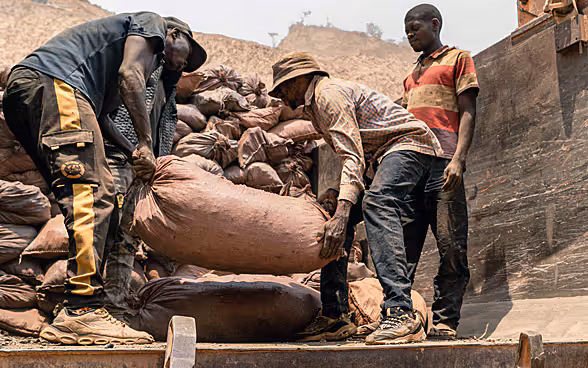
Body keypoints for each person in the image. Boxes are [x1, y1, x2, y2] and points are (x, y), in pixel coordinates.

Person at [2, 12, 206, 345]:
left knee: (89, 194)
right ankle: (82, 311)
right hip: (54, 84)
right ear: (171, 34)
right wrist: (144, 141)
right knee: (93, 194)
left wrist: (134, 152)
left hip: (33, 91)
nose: (181, 65)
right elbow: (131, 75)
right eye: (185, 50)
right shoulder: (149, 25)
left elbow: (105, 118)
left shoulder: (106, 78)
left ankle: (83, 308)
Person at [269, 52, 442, 344]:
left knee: (376, 203)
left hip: (410, 143)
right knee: (340, 222)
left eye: (283, 87)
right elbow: (357, 154)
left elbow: (352, 157)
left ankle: (400, 312)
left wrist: (342, 210)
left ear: (300, 79)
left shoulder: (327, 96)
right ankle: (335, 317)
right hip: (384, 155)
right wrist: (339, 206)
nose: (281, 97)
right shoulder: (314, 108)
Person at [402, 4, 479, 339]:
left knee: (450, 246)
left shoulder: (457, 58)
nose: (409, 34)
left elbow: (468, 111)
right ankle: (400, 318)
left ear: (435, 24)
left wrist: (458, 159)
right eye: (406, 30)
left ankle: (445, 320)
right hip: (411, 169)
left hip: (443, 165)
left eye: (415, 27)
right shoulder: (410, 76)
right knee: (403, 249)